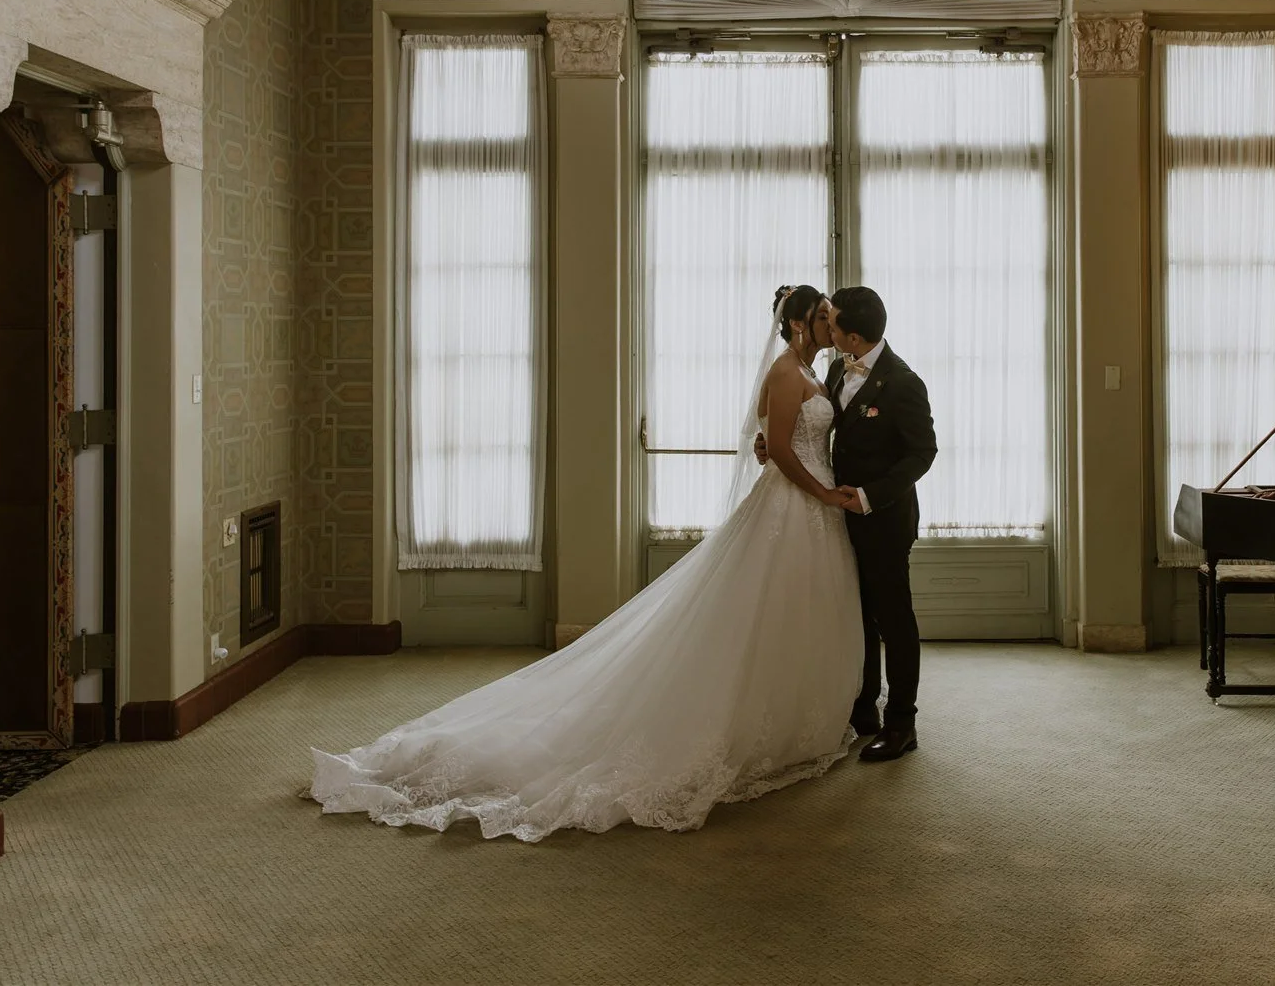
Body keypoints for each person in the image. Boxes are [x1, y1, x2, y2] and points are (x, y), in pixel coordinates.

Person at [307, 285, 864, 841]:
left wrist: (794, 467)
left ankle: (793, 720)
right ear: (797, 324)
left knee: (792, 615)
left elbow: (776, 440)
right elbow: (783, 451)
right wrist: (822, 492)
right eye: (820, 318)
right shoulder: (787, 373)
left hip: (810, 514)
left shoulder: (819, 375)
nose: (828, 327)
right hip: (795, 508)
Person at [761, 286, 936, 761]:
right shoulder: (836, 367)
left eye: (832, 322)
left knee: (893, 617)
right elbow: (810, 425)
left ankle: (902, 723)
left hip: (882, 516)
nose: (827, 328)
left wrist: (867, 496)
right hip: (832, 515)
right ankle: (863, 708)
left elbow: (923, 453)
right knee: (853, 614)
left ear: (852, 335)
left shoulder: (903, 382)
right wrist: (771, 445)